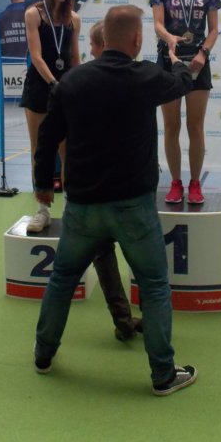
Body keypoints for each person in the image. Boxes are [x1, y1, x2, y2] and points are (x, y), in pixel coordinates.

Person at [32, 4, 197, 396]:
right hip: (133, 207)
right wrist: (179, 61)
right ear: (137, 39)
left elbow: (47, 138)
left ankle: (43, 355)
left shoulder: (71, 82)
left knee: (62, 280)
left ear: (102, 38)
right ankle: (162, 375)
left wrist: (43, 185)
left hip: (83, 207)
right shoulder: (146, 76)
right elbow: (181, 83)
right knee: (154, 285)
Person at [150, 0, 221, 205]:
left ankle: (194, 183)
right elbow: (158, 23)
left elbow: (213, 30)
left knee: (195, 126)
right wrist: (169, 38)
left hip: (198, 62)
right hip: (169, 60)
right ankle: (175, 183)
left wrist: (203, 53)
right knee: (171, 126)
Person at [87, 21, 143, 342]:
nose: (90, 51)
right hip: (129, 183)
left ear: (101, 46)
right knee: (139, 252)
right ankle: (145, 318)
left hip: (97, 186)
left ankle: (123, 320)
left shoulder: (82, 81)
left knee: (103, 253)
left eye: (92, 46)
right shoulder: (137, 77)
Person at [20, 0, 81, 233]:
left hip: (65, 90)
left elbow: (75, 59)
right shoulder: (33, 14)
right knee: (40, 151)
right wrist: (54, 83)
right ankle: (42, 210)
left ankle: (71, 207)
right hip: (40, 88)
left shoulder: (74, 19)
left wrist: (78, 85)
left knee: (69, 151)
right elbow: (36, 56)